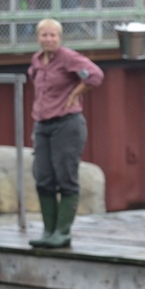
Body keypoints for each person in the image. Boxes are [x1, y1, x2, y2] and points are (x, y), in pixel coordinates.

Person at [28, 18, 104, 249]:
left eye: (53, 35)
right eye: (44, 35)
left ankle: (63, 231)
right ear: (38, 37)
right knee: (43, 177)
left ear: (59, 38)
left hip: (66, 123)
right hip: (42, 123)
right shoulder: (37, 60)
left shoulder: (68, 58)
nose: (48, 39)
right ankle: (48, 230)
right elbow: (34, 77)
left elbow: (95, 76)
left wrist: (76, 92)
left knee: (65, 176)